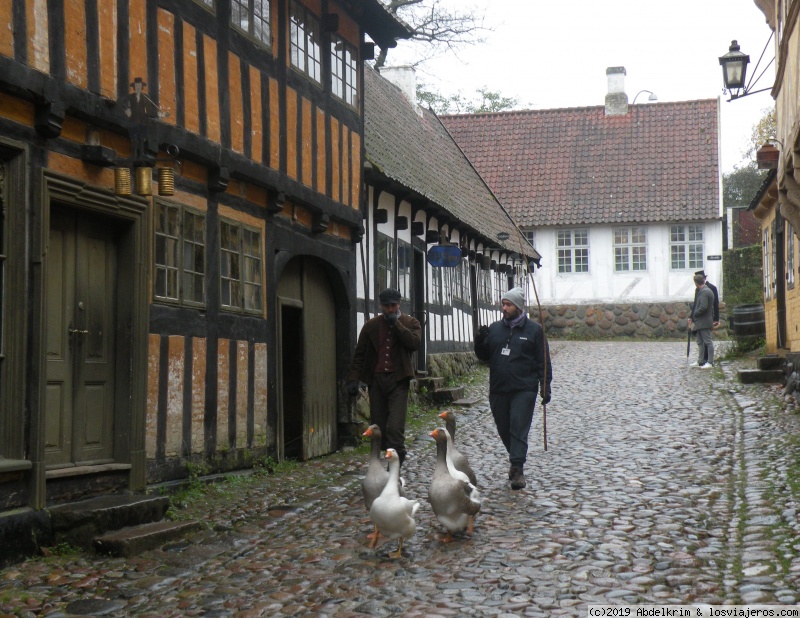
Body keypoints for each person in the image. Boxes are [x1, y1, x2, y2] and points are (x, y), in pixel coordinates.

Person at [474, 287, 552, 490]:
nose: (504, 308)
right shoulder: (495, 329)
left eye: (508, 304)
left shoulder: (534, 330)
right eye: (503, 304)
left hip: (524, 388)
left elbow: (543, 361)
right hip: (498, 388)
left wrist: (545, 386)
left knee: (518, 426)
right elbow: (484, 356)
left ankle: (517, 468)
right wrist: (479, 342)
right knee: (504, 429)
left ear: (518, 306)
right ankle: (515, 457)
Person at [346, 288, 421, 466]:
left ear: (399, 304)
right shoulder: (371, 326)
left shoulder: (410, 322)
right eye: (386, 306)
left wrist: (397, 324)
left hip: (398, 380)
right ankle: (384, 460)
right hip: (377, 381)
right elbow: (360, 355)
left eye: (393, 306)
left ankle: (396, 462)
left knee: (395, 427)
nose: (389, 309)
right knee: (379, 427)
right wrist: (353, 379)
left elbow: (414, 343)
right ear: (380, 305)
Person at [691, 269, 719, 365]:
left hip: (704, 320)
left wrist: (695, 313)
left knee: (707, 341)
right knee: (700, 341)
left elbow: (703, 307)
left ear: (696, 282)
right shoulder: (701, 290)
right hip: (700, 321)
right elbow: (696, 304)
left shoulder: (705, 291)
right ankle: (701, 360)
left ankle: (710, 361)